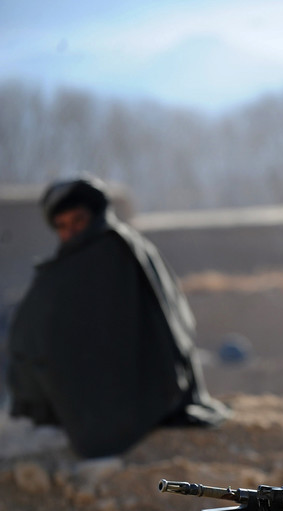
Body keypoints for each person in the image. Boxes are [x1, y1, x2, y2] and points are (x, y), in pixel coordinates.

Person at [6, 175, 229, 458]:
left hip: (132, 394)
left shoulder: (107, 252)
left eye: (78, 221)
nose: (71, 233)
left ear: (95, 216)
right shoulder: (88, 258)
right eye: (62, 226)